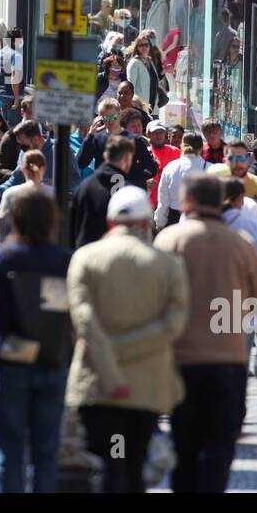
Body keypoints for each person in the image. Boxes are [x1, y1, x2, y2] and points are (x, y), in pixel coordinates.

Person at [65, 186, 187, 492]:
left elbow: (84, 321)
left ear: (109, 224)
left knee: (109, 462)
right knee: (134, 462)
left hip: (99, 384)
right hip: (144, 386)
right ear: (147, 223)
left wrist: (109, 358)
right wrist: (125, 349)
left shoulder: (84, 258)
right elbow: (173, 323)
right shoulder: (168, 265)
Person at [155, 173, 257, 493]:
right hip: (228, 358)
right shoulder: (240, 243)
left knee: (184, 444)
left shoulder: (168, 239)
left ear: (187, 201)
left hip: (181, 358)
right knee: (221, 443)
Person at [0, 187, 71, 493]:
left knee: (8, 452)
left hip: (10, 362)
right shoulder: (65, 260)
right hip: (51, 361)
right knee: (46, 456)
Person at [71, 136, 139, 249]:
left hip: (85, 253)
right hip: (116, 254)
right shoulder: (128, 191)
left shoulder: (84, 186)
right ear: (127, 158)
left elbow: (73, 227)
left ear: (105, 156)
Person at [0, 150, 51, 243]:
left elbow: (2, 224)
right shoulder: (53, 193)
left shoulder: (10, 194)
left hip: (17, 247)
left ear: (23, 169)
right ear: (44, 168)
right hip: (46, 250)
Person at [155, 132, 206, 229]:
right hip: (201, 222)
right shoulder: (209, 168)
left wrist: (160, 223)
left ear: (182, 146)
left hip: (174, 220)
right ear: (201, 148)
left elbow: (163, 201)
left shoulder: (170, 167)